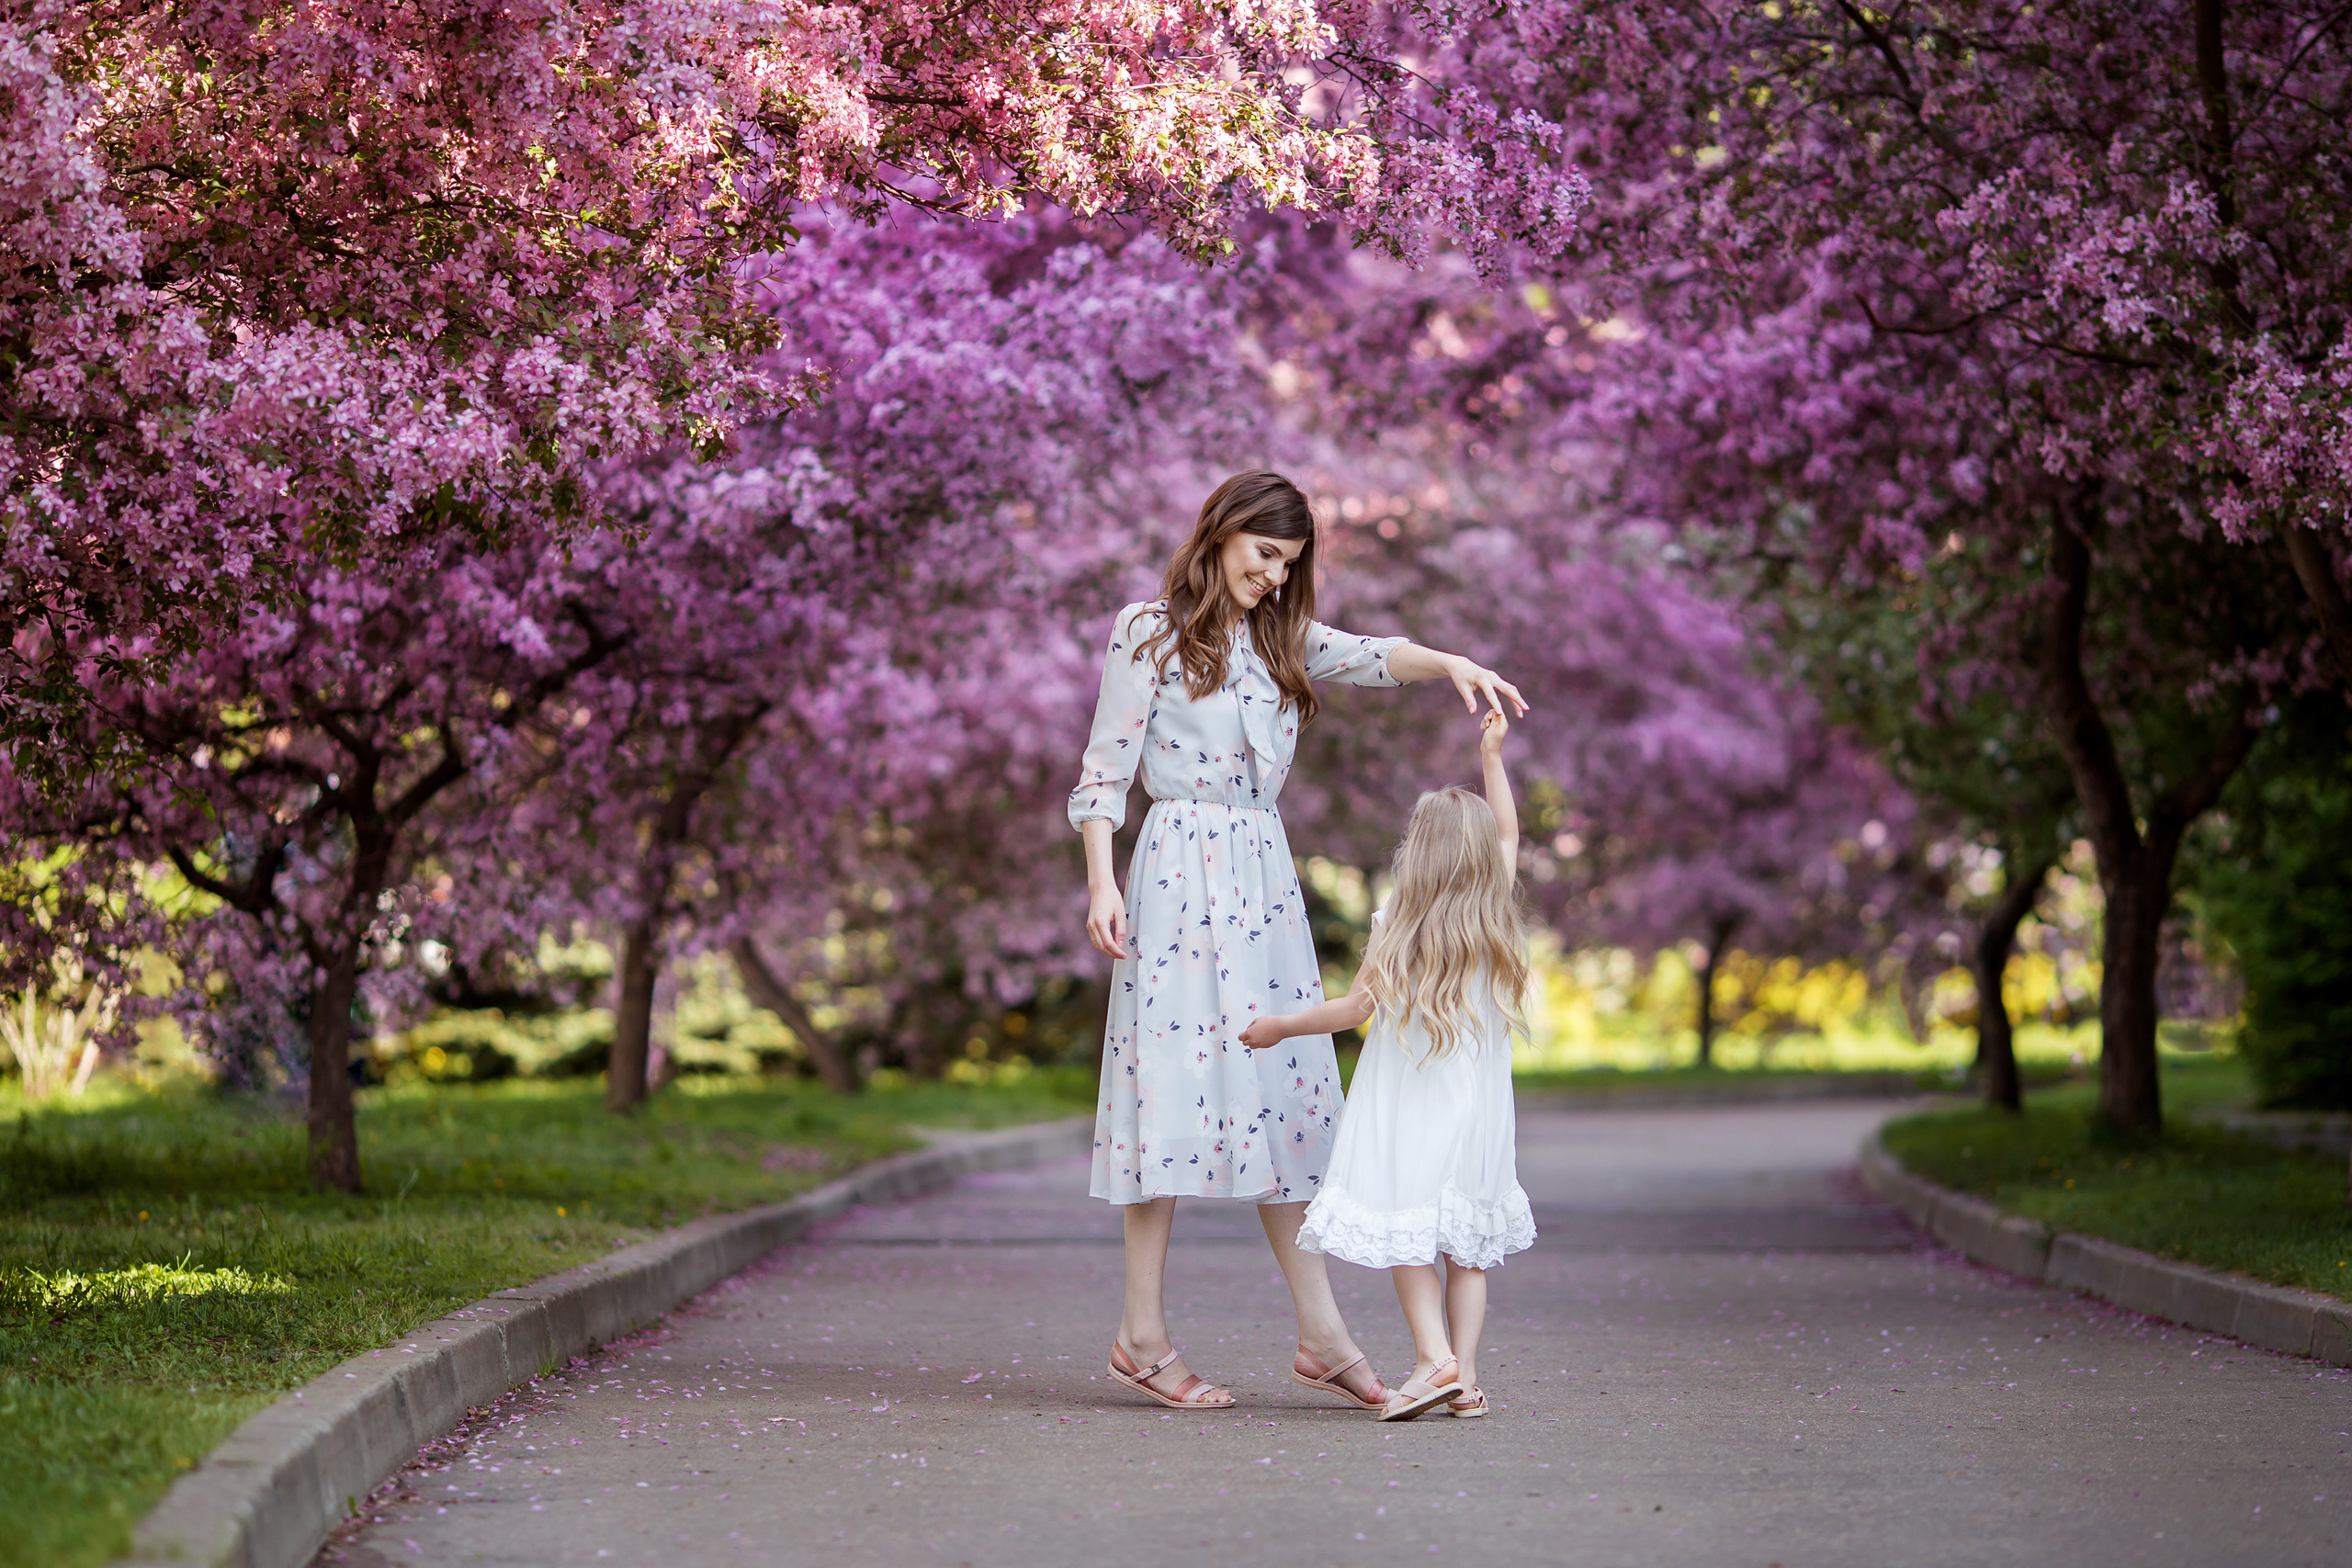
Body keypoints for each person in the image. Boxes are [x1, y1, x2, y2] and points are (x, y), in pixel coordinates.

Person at [1071, 470, 1527, 1411]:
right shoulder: (1145, 631)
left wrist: (1450, 662)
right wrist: (1102, 882)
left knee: (1288, 1093)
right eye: (1265, 555)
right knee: (1168, 1092)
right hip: (1175, 872)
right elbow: (1104, 771)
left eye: (1289, 564)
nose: (1276, 577)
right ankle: (1141, 1335)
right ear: (1222, 532)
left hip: (1260, 876)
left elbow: (1372, 656)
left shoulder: (1282, 638)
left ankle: (1321, 1335)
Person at [1241, 706, 1535, 1421]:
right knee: (1467, 1252)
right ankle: (1465, 1379)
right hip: (1480, 1119)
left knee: (1410, 1235)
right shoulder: (1495, 915)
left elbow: (1350, 1011)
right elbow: (1508, 831)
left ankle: (1434, 1358)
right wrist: (1492, 757)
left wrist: (1279, 1026)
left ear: (1419, 852)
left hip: (1412, 1111)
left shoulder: (1396, 925)